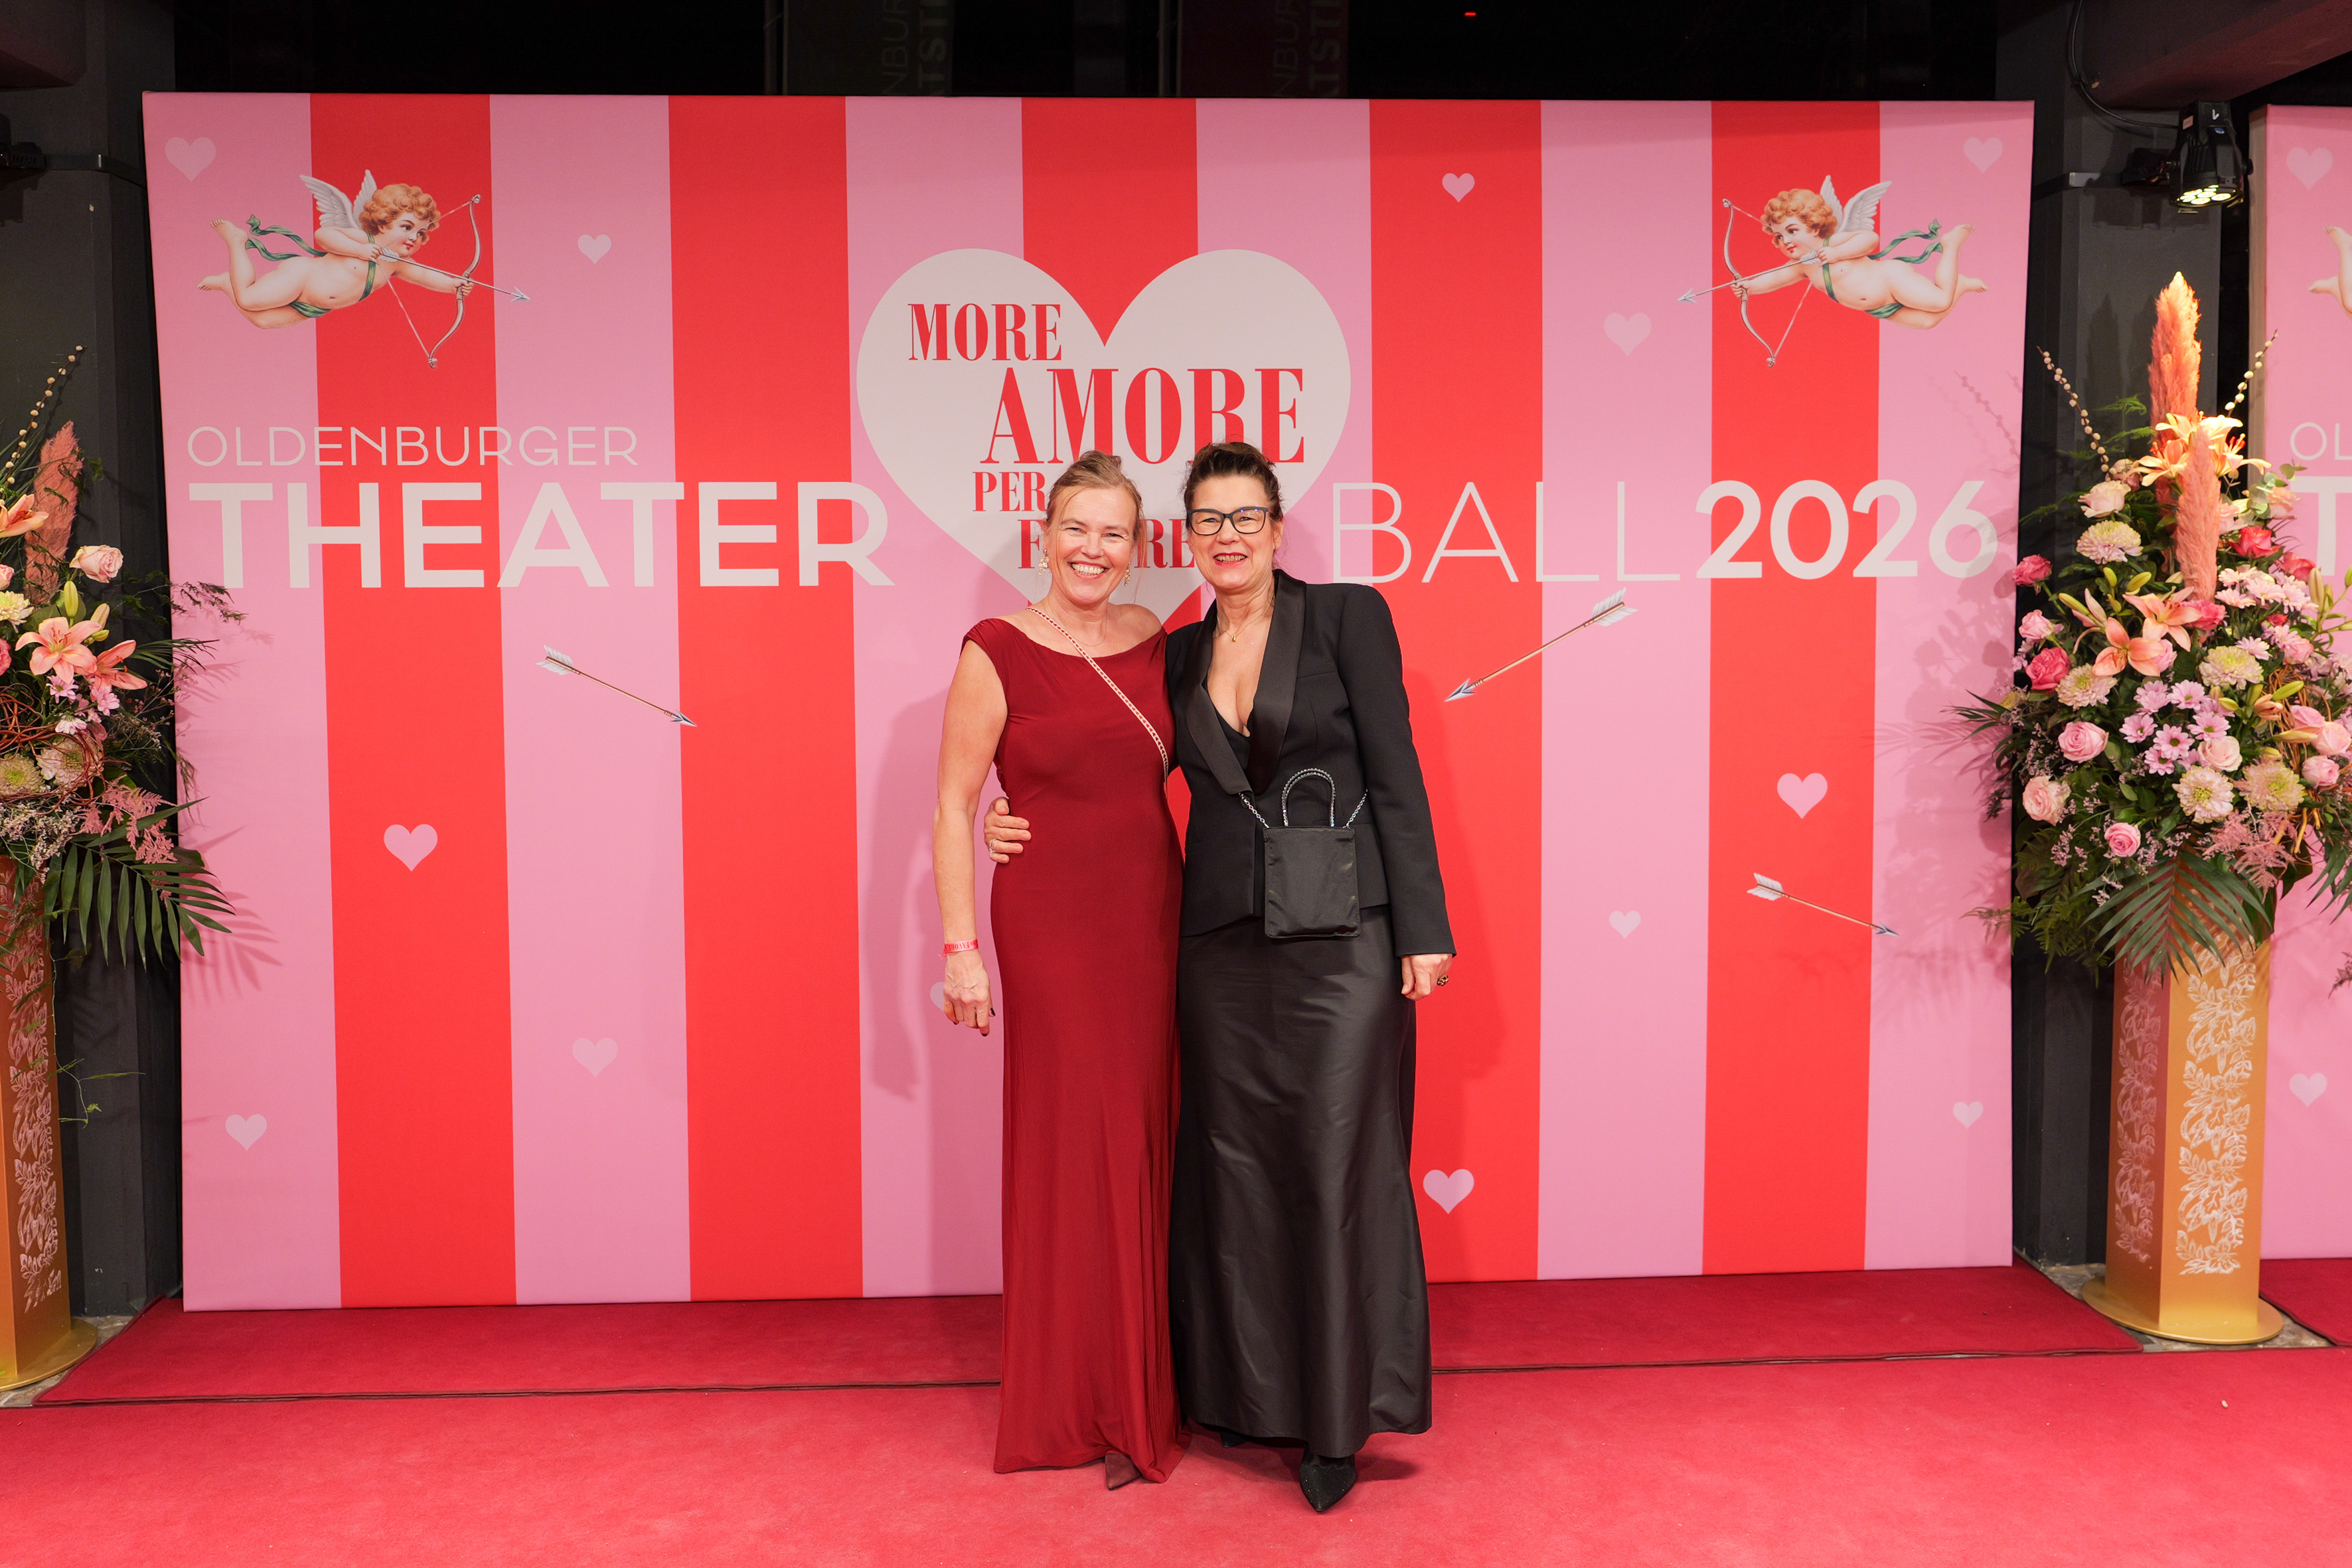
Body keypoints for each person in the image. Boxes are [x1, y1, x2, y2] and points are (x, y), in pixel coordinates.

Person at [986, 440, 1454, 1513]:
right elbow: (1101, 757)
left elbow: (1396, 773)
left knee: (1333, 1164)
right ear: (1186, 538)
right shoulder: (1178, 652)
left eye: (1245, 517)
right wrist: (1014, 812)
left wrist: (1421, 929)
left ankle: (1331, 1423)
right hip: (1218, 948)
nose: (1227, 535)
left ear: (1276, 529)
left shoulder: (1346, 618)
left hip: (1343, 937)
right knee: (1235, 1173)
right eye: (1207, 520)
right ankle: (1245, 1394)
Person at [931, 450, 1186, 1489]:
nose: (1093, 548)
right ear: (1042, 535)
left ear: (1136, 546)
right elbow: (954, 805)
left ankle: (1137, 1386)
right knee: (1070, 1142)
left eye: (1113, 532)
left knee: (1142, 1138)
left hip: (1153, 920)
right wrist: (961, 950)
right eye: (1076, 528)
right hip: (1051, 926)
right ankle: (1072, 1397)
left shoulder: (1156, 640)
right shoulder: (995, 649)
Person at [201, 173, 473, 329]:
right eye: (407, 227)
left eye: (421, 233)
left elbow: (426, 276)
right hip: (302, 277)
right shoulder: (364, 238)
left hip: (314, 307)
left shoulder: (399, 264)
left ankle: (227, 282)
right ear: (383, 222)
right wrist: (359, 249)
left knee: (263, 322)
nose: (414, 237)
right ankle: (236, 241)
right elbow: (324, 235)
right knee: (249, 300)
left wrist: (454, 286)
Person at [1731, 179, 1980, 329]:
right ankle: (1960, 285)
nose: (1785, 241)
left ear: (1814, 226)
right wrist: (1749, 287)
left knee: (1940, 302)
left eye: (1792, 231)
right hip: (1880, 307)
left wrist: (1838, 252)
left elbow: (1870, 239)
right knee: (1927, 322)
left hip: (1891, 280)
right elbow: (1775, 278)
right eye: (1779, 237)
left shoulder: (1832, 242)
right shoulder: (1801, 267)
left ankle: (1951, 245)